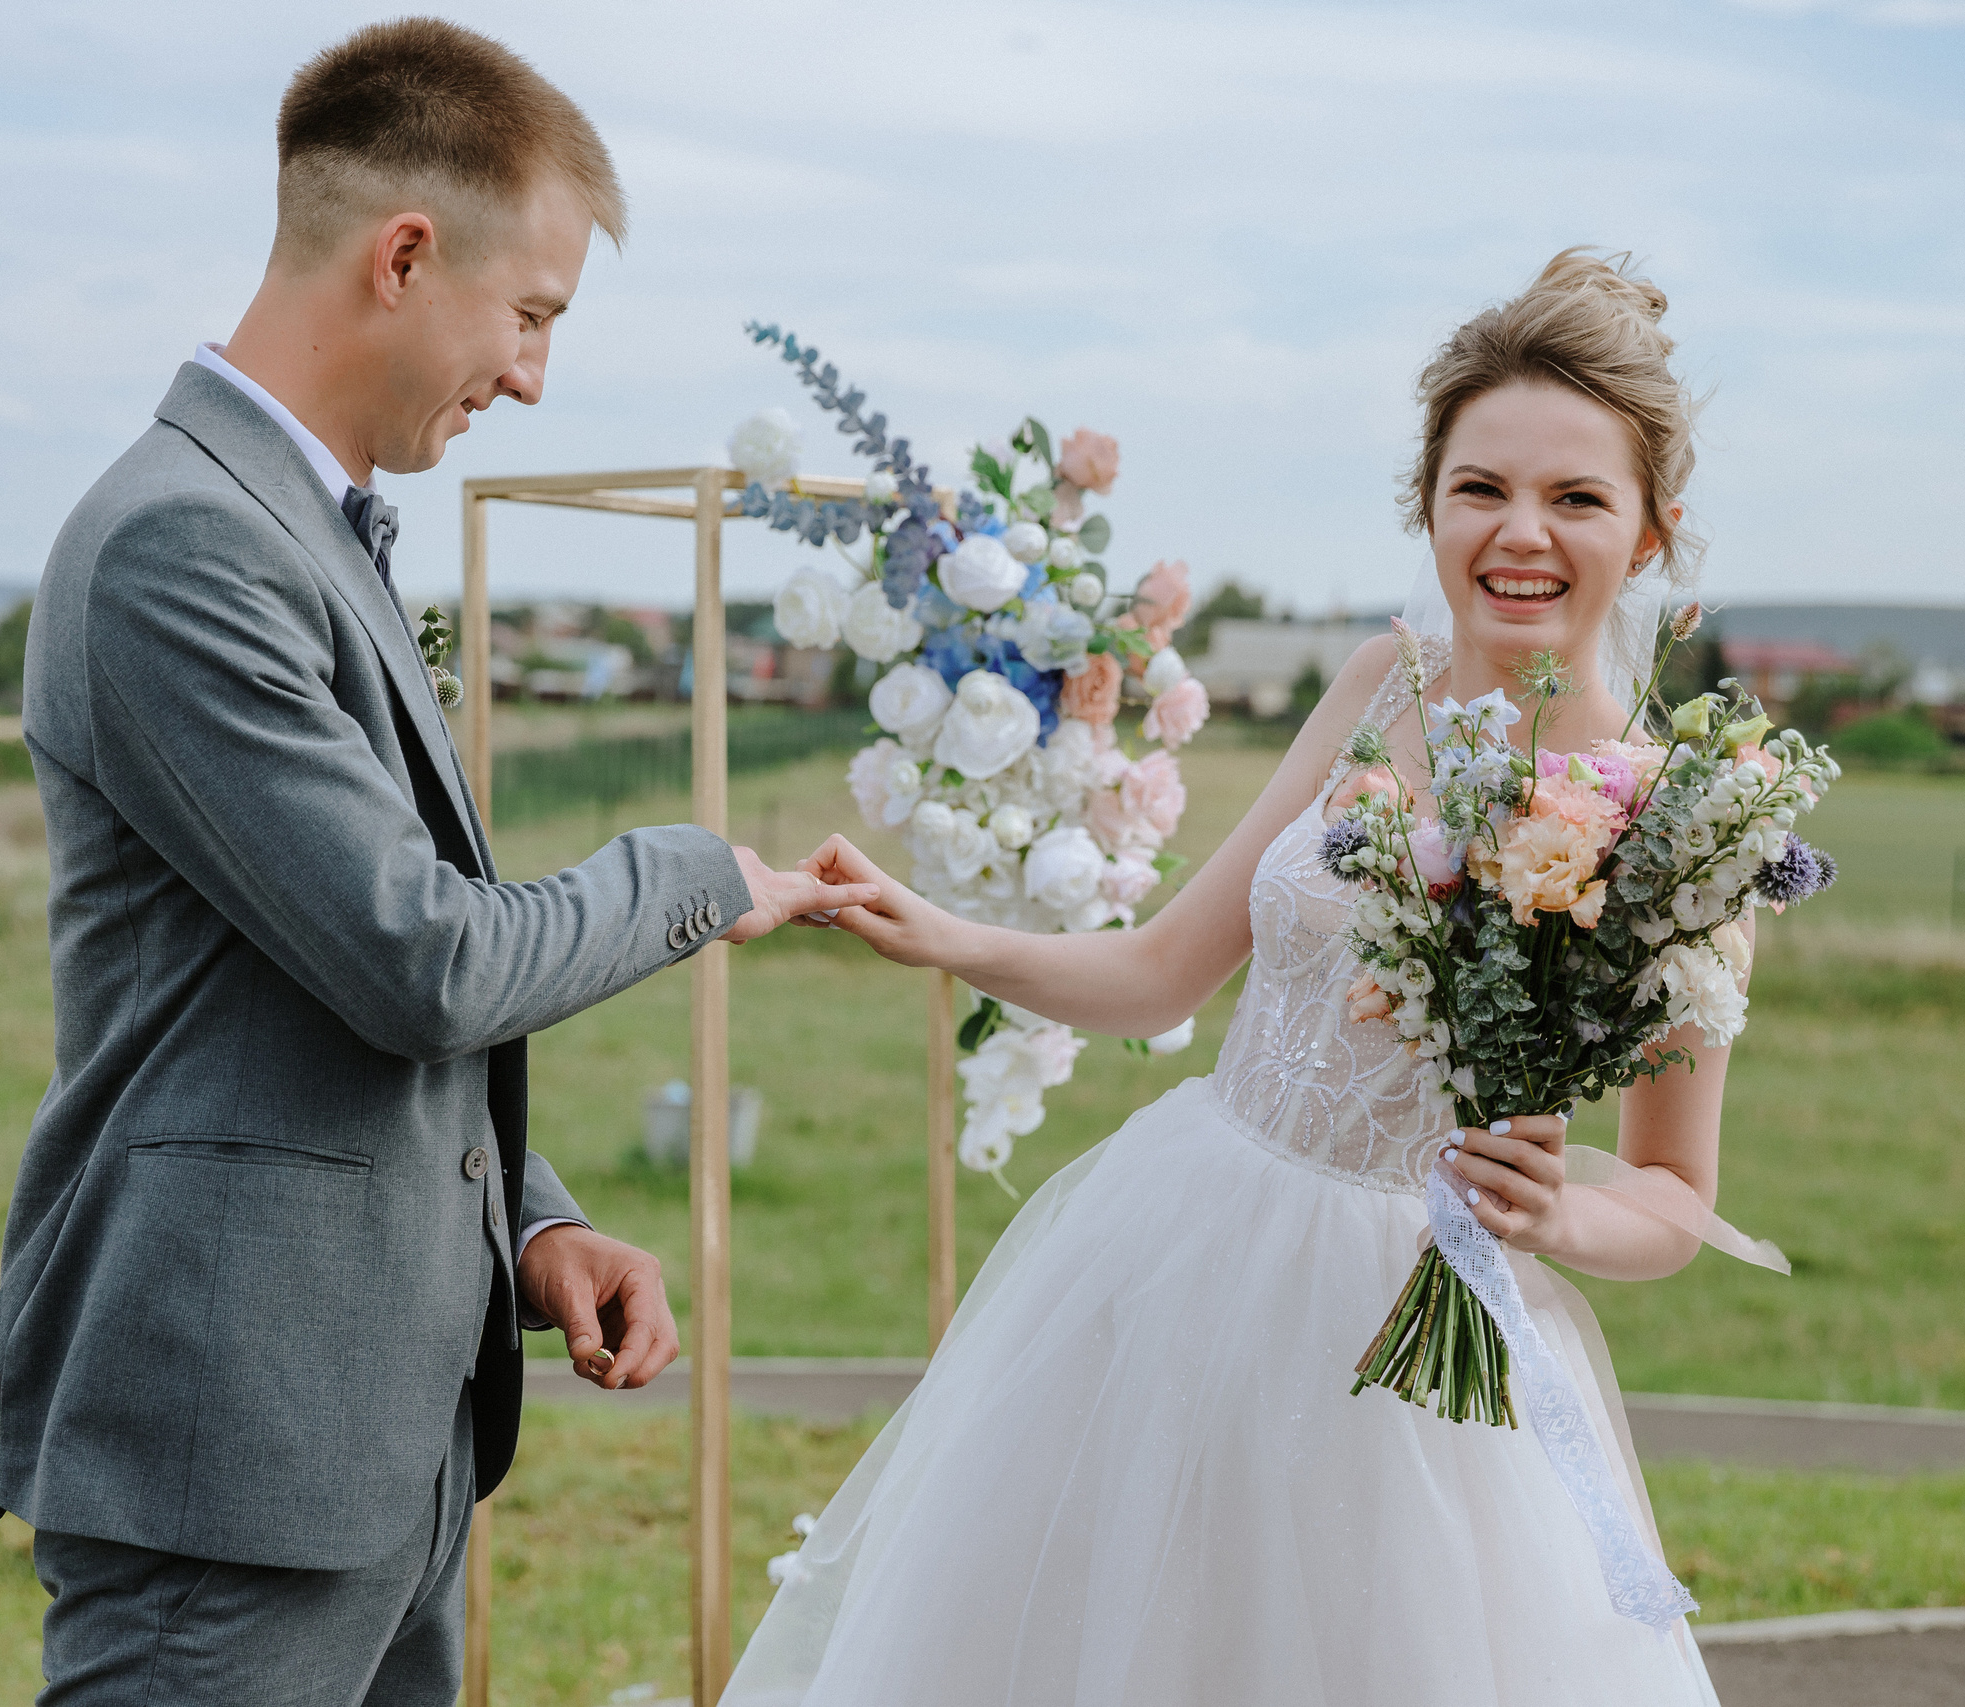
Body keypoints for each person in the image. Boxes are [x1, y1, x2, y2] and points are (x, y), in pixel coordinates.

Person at [0, 20, 874, 1704]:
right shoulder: (180, 544)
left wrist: (537, 1231)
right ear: (405, 255)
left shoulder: (297, 526)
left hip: (370, 1426)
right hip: (232, 1441)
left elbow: (295, 989)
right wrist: (696, 872)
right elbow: (418, 959)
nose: (531, 376)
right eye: (534, 316)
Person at [733, 251, 1738, 1705]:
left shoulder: (1687, 824)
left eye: (1577, 497)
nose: (1522, 534)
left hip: (1419, 1359)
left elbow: (1677, 1196)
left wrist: (1567, 1212)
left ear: (1652, 536)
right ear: (1430, 503)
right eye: (1481, 488)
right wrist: (944, 931)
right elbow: (1159, 975)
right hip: (1184, 1261)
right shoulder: (1379, 683)